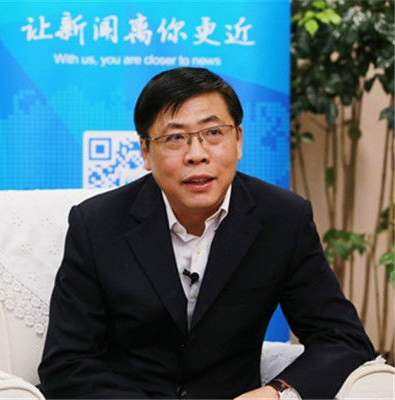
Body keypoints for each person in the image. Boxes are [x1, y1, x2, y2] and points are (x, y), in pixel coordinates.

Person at [37, 67, 374, 399]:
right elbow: (67, 362)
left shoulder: (283, 218)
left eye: (213, 133)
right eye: (175, 138)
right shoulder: (97, 224)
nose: (197, 155)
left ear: (238, 140)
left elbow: (342, 339)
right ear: (145, 152)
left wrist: (277, 394)